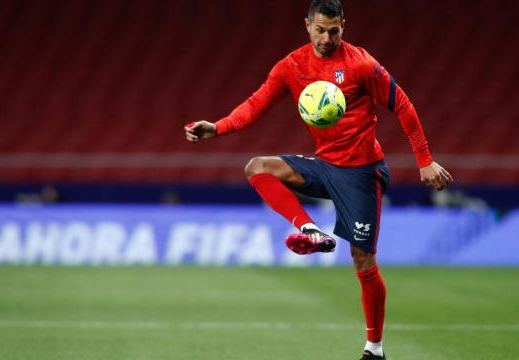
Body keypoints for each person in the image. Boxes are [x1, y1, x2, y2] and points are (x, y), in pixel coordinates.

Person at [184, 0, 452, 358]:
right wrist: (217, 128)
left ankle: (375, 348)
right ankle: (310, 229)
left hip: (361, 172)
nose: (327, 38)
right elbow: (255, 104)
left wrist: (425, 160)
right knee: (256, 167)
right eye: (320, 30)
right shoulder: (292, 66)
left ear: (344, 26)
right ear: (307, 25)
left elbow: (401, 103)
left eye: (334, 31)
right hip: (326, 166)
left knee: (363, 260)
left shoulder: (361, 65)